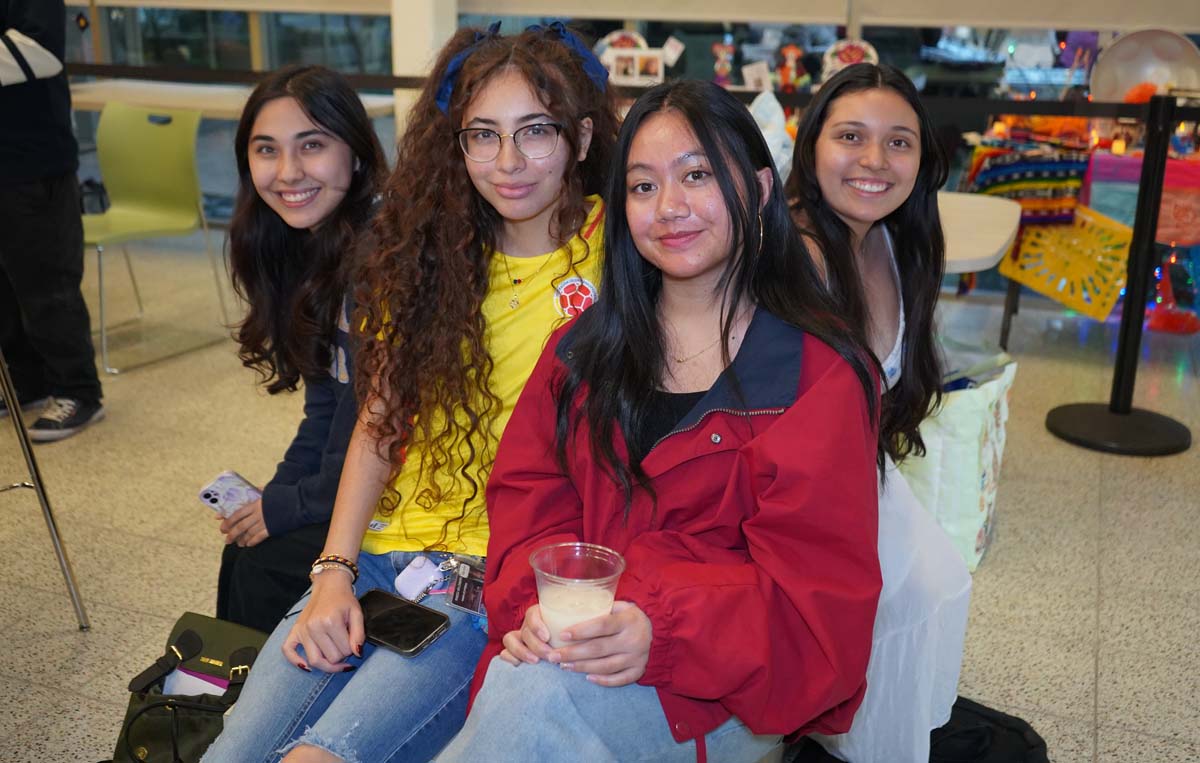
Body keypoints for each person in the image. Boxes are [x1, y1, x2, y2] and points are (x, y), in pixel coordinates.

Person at [202, 22, 617, 763]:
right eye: (483, 135)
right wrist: (334, 572)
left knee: (316, 758)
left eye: (536, 132)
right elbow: (377, 421)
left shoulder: (621, 248)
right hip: (379, 557)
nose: (508, 161)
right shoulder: (426, 257)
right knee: (233, 752)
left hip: (486, 585)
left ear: (582, 139)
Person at [437, 79, 882, 762]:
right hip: (574, 649)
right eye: (642, 187)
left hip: (724, 687)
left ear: (761, 190)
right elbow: (529, 503)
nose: (668, 208)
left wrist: (662, 628)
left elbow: (814, 610)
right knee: (527, 693)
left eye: (697, 175)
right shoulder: (583, 352)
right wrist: (534, 605)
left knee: (531, 706)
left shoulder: (815, 378)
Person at [785, 62, 973, 763]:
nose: (874, 160)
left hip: (859, 471)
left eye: (899, 142)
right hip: (794, 495)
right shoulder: (798, 252)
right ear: (811, 148)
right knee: (917, 586)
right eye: (851, 136)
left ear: (923, 157)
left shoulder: (896, 242)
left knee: (937, 579)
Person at [215, 65, 387, 634]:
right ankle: (227, 700)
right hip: (356, 477)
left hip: (406, 492)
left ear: (356, 154)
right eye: (267, 150)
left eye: (311, 145)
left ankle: (260, 711)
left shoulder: (387, 260)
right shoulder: (311, 246)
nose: (288, 172)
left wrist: (288, 509)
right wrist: (276, 498)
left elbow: (381, 436)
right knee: (246, 548)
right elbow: (325, 410)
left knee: (264, 562)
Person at [0, 0, 104, 441]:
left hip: (33, 163)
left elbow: (36, 54)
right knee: (4, 288)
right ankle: (28, 383)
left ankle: (78, 390)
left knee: (48, 287)